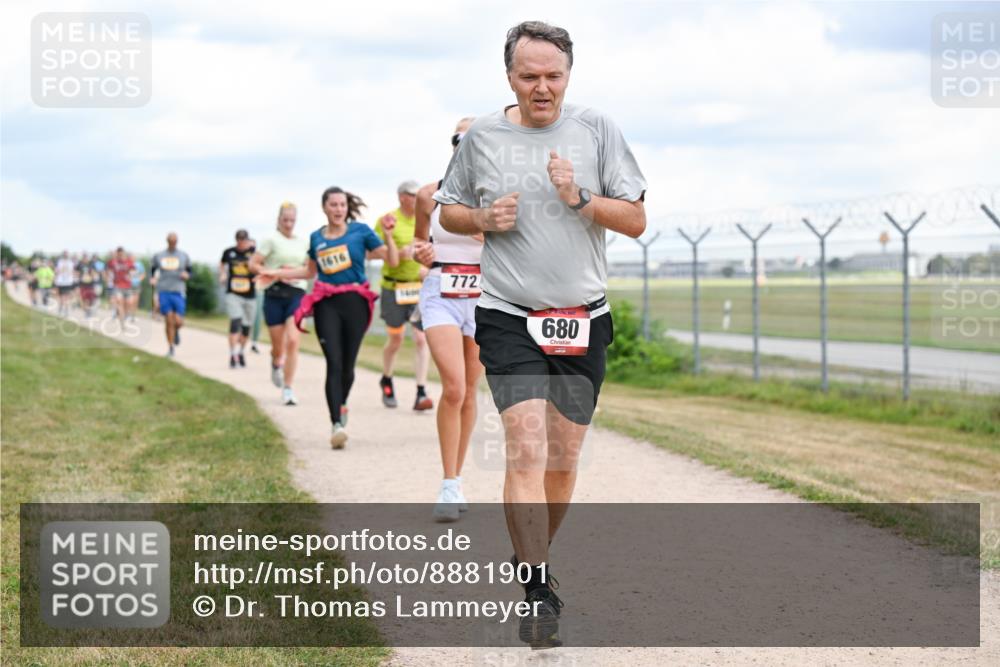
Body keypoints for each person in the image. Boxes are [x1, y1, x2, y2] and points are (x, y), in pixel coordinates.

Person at [435, 21, 647, 648]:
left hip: (584, 317)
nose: (542, 88)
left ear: (568, 75)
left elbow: (635, 219)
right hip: (507, 313)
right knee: (525, 447)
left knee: (563, 457)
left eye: (553, 76)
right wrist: (480, 216)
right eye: (529, 76)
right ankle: (535, 586)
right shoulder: (483, 138)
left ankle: (536, 560)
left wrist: (579, 196)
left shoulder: (596, 129)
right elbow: (449, 208)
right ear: (510, 77)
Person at [258, 187, 398, 449]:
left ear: (347, 207)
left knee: (348, 366)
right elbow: (309, 272)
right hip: (326, 304)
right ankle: (336, 424)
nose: (338, 209)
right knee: (333, 362)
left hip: (355, 303)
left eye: (342, 205)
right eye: (333, 205)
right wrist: (275, 274)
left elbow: (390, 259)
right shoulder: (316, 238)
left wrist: (388, 237)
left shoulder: (361, 232)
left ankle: (341, 403)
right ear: (324, 208)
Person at [413, 118, 484, 522]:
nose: (468, 145)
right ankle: (447, 481)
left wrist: (486, 230)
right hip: (441, 291)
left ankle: (456, 480)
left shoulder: (497, 194)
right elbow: (420, 243)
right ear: (453, 145)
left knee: (470, 389)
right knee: (453, 387)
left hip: (483, 295)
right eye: (462, 139)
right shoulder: (430, 194)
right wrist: (420, 253)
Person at [376, 181, 433, 411]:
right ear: (402, 197)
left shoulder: (426, 219)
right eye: (413, 195)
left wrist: (427, 269)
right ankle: (387, 378)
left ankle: (421, 391)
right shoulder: (387, 221)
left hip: (418, 288)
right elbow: (374, 252)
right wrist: (401, 252)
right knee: (396, 339)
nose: (418, 197)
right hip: (393, 288)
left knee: (421, 339)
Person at [250, 202, 309, 405]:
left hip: (297, 293)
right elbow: (253, 264)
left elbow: (309, 267)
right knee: (279, 346)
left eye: (292, 220)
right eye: (285, 220)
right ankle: (276, 362)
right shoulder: (270, 240)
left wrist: (295, 272)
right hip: (274, 294)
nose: (289, 224)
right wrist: (272, 272)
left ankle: (288, 388)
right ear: (278, 220)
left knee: (293, 340)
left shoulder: (303, 242)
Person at [151, 233, 193, 357]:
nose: (173, 243)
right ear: (167, 241)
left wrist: (187, 275)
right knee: (169, 319)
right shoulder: (159, 256)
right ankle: (170, 347)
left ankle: (176, 331)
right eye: (171, 241)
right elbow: (153, 269)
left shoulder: (183, 255)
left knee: (179, 321)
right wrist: (153, 278)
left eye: (175, 241)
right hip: (164, 290)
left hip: (179, 290)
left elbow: (190, 270)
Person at [219, 230, 257, 368]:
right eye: (238, 240)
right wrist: (222, 274)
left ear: (248, 240)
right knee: (236, 321)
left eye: (243, 240)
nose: (241, 243)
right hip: (233, 293)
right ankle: (232, 354)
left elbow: (262, 264)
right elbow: (222, 263)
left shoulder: (254, 252)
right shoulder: (229, 252)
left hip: (250, 294)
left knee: (247, 327)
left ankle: (240, 351)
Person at [106, 247, 135, 322]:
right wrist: (108, 277)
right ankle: (121, 319)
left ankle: (126, 314)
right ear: (117, 254)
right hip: (117, 285)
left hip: (127, 286)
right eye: (118, 254)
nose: (120, 256)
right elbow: (108, 270)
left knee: (129, 302)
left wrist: (131, 275)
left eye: (121, 254)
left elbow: (133, 270)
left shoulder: (129, 262)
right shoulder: (113, 262)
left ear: (124, 254)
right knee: (119, 301)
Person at [53, 251, 77, 316]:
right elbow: (72, 272)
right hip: (64, 282)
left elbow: (57, 271)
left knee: (63, 297)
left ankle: (62, 310)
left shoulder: (60, 262)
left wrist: (55, 279)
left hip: (64, 282)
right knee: (64, 297)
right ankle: (64, 310)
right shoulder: (70, 263)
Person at [127, 254, 145, 321]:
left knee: (136, 301)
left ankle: (133, 316)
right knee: (130, 301)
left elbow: (143, 274)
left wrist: (139, 279)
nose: (132, 257)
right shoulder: (128, 264)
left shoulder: (139, 265)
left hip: (137, 285)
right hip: (129, 285)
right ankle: (128, 314)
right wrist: (128, 279)